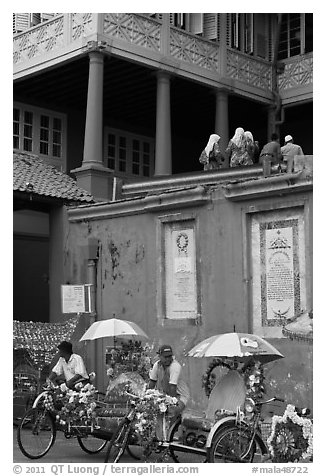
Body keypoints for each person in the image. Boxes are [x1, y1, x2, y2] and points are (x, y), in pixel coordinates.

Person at [148, 345, 190, 417]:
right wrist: (148, 396)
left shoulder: (175, 366)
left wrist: (172, 404)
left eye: (169, 356)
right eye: (165, 357)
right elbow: (152, 382)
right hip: (164, 395)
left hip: (180, 396)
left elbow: (172, 387)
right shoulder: (157, 365)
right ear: (160, 356)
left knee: (171, 411)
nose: (168, 359)